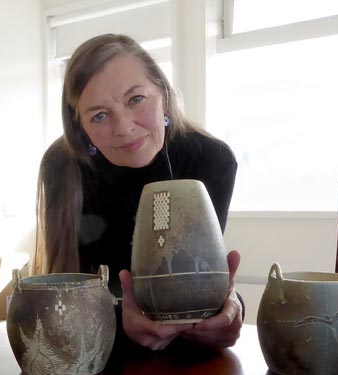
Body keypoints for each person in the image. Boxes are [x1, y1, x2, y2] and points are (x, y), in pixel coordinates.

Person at [33, 33, 242, 351]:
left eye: (136, 99)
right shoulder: (62, 166)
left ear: (164, 94)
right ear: (81, 128)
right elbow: (62, 294)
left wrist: (232, 308)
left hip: (188, 358)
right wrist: (117, 319)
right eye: (99, 116)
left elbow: (196, 278)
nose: (124, 127)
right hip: (96, 352)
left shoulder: (210, 159)